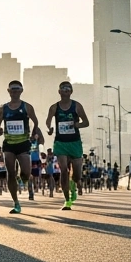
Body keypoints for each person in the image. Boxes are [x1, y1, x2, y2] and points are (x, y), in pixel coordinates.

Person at [0, 80, 43, 214]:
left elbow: (36, 121)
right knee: (10, 173)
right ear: (8, 91)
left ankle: (25, 181)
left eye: (17, 89)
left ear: (21, 91)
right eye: (12, 89)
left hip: (23, 144)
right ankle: (16, 203)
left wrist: (34, 133)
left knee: (26, 173)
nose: (15, 91)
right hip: (9, 144)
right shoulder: (3, 108)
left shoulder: (27, 107)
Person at [46, 81, 90, 210]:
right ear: (59, 91)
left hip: (75, 142)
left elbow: (86, 122)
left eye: (68, 89)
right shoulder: (54, 107)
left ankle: (74, 187)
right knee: (63, 171)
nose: (65, 90)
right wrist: (50, 129)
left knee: (76, 175)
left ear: (71, 91)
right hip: (60, 143)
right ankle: (67, 200)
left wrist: (77, 125)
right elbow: (48, 122)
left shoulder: (77, 106)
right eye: (63, 88)